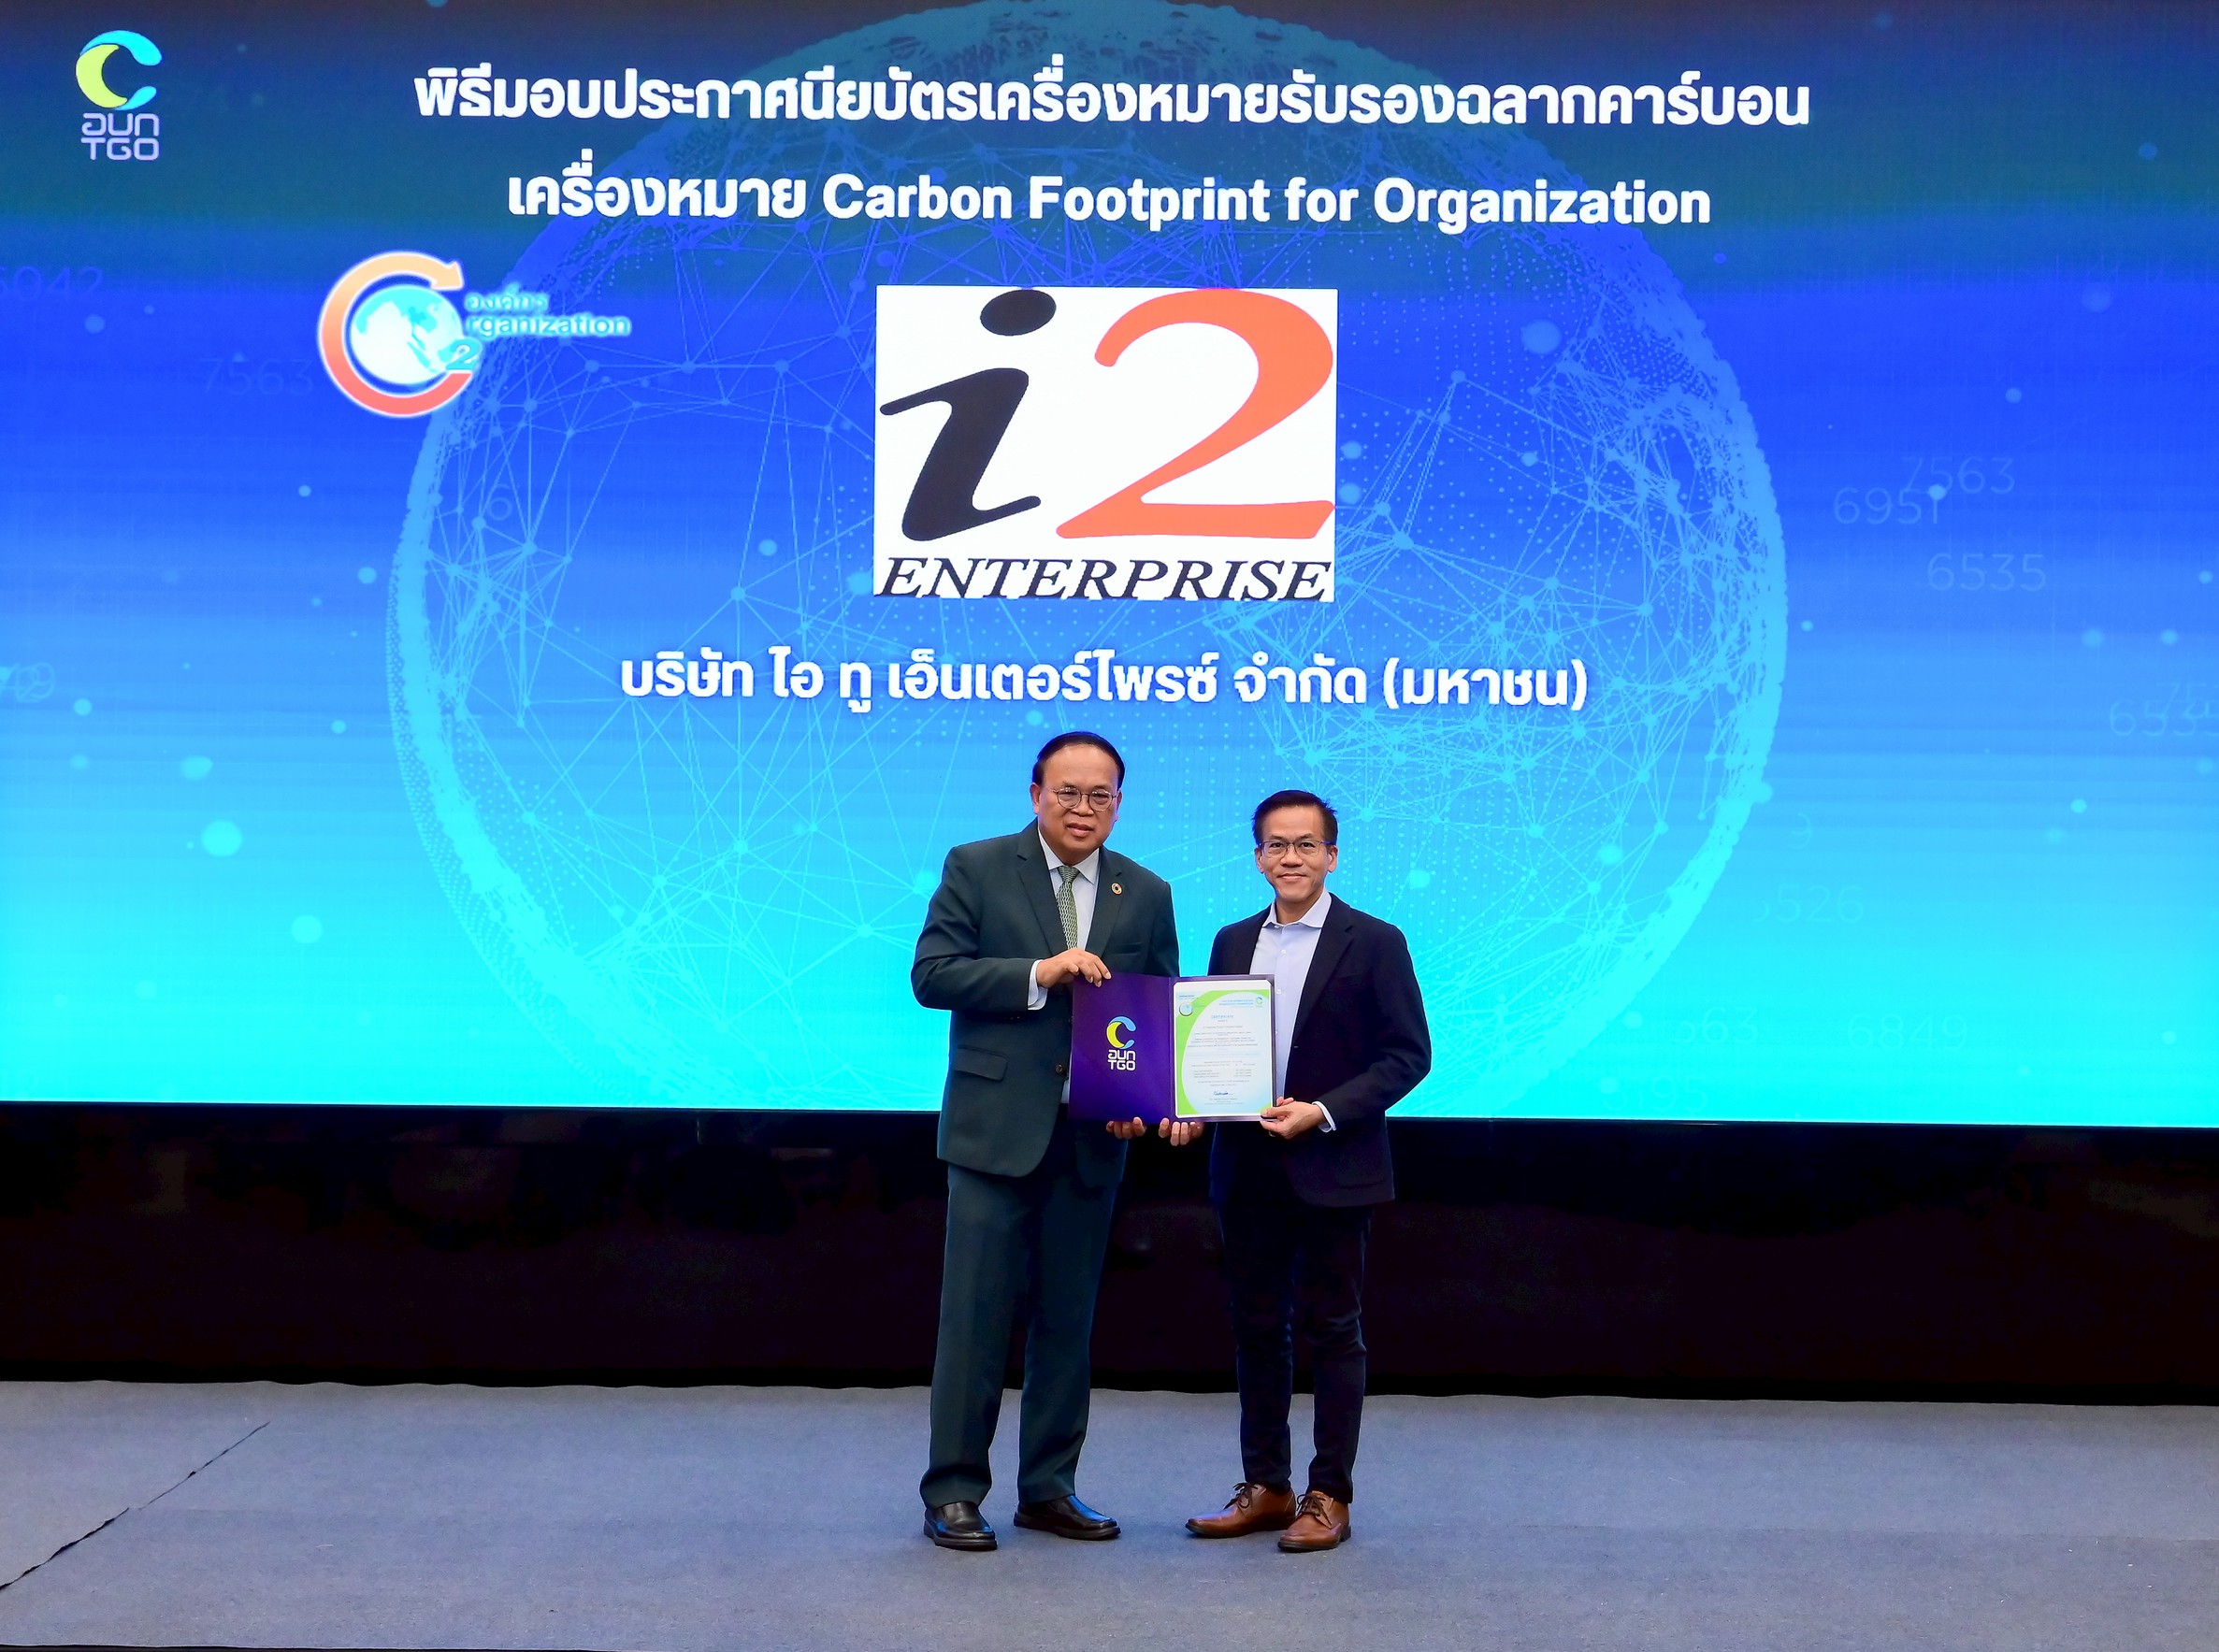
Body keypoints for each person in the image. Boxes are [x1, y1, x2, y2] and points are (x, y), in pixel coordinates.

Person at [911, 731, 1197, 1552]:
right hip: (993, 1134)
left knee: (1066, 1325)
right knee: (974, 1320)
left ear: (1118, 804)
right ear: (1035, 793)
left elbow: (1157, 1006)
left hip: (1091, 1138)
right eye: (1067, 792)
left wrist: (1153, 1098)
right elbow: (932, 974)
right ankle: (954, 1490)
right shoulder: (976, 865)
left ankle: (1048, 1488)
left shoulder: (1145, 890)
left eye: (1099, 795)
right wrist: (1038, 972)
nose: (1082, 808)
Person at [1184, 789, 1431, 1553]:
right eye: (1275, 845)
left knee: (1333, 1329)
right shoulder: (1231, 940)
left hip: (1334, 1163)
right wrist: (1190, 1103)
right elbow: (1212, 1049)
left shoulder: (1375, 940)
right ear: (1257, 855)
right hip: (1245, 1166)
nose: (1289, 857)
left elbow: (1407, 1056)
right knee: (1256, 1327)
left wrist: (1321, 1110)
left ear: (1331, 855)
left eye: (1304, 845)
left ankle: (1329, 1494)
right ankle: (1266, 1484)